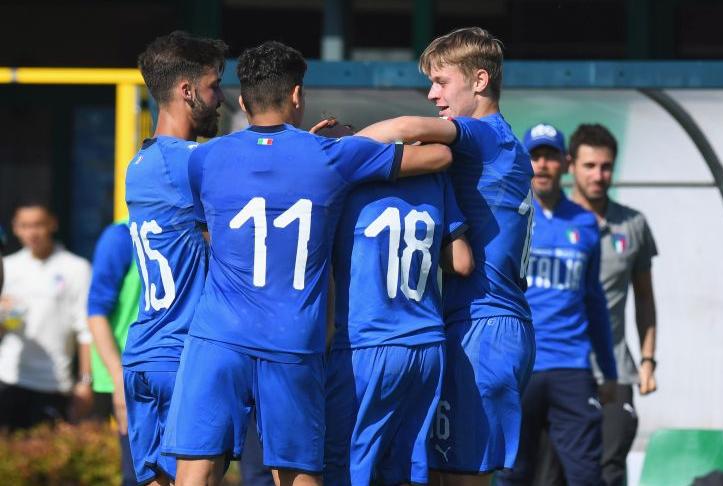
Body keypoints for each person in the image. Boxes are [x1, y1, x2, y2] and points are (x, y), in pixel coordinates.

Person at [161, 40, 453, 486]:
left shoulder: (204, 159)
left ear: (242, 101)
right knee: (298, 473)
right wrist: (357, 141)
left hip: (218, 337)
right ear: (297, 95)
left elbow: (211, 228)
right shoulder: (333, 158)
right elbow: (440, 153)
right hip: (293, 340)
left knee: (195, 470)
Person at [356, 27, 535, 485]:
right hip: (482, 323)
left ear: (479, 81)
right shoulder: (497, 143)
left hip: (484, 327)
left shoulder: (485, 135)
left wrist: (332, 154)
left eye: (441, 81)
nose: (432, 94)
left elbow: (406, 129)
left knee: (460, 479)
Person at [324, 165, 474, 484]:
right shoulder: (435, 179)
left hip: (368, 345)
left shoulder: (345, 177)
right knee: (402, 470)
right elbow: (462, 261)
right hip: (427, 347)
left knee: (345, 466)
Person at [123, 30, 227, 486]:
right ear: (187, 91)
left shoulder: (139, 163)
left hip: (142, 353)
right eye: (214, 86)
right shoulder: (194, 162)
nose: (221, 98)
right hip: (183, 354)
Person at [496, 124, 618, 486]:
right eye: (536, 156)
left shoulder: (585, 222)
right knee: (512, 473)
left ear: (565, 163)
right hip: (520, 364)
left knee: (586, 475)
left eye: (550, 157)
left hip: (572, 367)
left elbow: (594, 301)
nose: (543, 165)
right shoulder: (506, 215)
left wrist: (608, 371)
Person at [570, 123, 658, 485]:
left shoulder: (633, 224)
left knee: (609, 471)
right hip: (562, 367)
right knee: (552, 472)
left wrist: (649, 361)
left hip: (616, 371)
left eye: (606, 166)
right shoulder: (547, 222)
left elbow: (645, 299)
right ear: (570, 165)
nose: (598, 175)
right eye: (589, 166)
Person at [0, 201, 93, 429]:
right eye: (25, 226)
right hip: (9, 379)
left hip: (54, 384)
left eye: (38, 225)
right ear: (15, 228)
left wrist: (85, 381)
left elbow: (85, 331)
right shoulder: (7, 267)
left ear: (52, 224)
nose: (32, 232)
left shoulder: (76, 268)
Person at [87, 220, 141, 486]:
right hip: (127, 374)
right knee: (137, 474)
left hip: (171, 372)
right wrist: (119, 377)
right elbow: (96, 313)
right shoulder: (120, 237)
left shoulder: (193, 229)